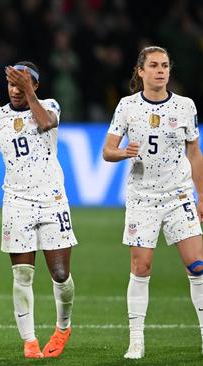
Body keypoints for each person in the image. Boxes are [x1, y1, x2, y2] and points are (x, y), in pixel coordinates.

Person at [103, 46, 203, 359]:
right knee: (141, 266)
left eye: (165, 66)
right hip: (143, 197)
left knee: (198, 266)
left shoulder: (185, 106)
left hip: (179, 195)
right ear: (141, 72)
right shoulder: (127, 106)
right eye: (154, 66)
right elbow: (108, 151)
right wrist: (123, 153)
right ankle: (136, 341)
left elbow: (194, 153)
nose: (161, 71)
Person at [0, 61, 76, 358]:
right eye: (11, 83)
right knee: (22, 274)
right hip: (17, 203)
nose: (15, 90)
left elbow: (45, 123)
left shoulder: (49, 105)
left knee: (61, 274)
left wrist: (28, 92)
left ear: (35, 86)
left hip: (52, 200)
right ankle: (29, 341)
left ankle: (63, 328)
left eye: (22, 84)